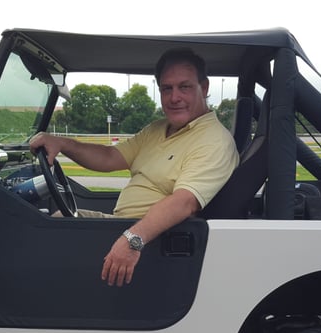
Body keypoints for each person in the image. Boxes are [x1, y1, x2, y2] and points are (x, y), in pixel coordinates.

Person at [30, 48, 239, 288]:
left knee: (45, 242)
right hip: (124, 227)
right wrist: (62, 144)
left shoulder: (213, 140)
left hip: (152, 245)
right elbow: (109, 157)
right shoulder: (158, 129)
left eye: (185, 87)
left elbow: (184, 202)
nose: (174, 97)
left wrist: (132, 241)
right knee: (52, 223)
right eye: (166, 88)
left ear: (204, 87)